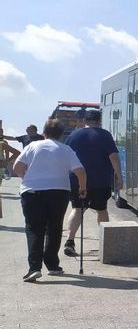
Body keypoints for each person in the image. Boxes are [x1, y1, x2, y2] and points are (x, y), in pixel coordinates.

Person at [13, 119, 87, 282]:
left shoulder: (32, 146)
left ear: (44, 132)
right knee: (54, 227)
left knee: (34, 228)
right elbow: (80, 171)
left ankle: (34, 267)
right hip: (59, 192)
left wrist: (26, 178)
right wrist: (82, 188)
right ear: (61, 134)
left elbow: (17, 167)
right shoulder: (66, 149)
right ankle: (53, 265)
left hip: (32, 191)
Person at [63, 110, 122, 257]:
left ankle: (70, 241)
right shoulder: (105, 135)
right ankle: (106, 242)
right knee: (101, 210)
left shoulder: (74, 135)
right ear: (99, 121)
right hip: (100, 181)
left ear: (85, 121)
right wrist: (119, 176)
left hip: (76, 180)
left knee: (77, 209)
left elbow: (65, 156)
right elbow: (114, 156)